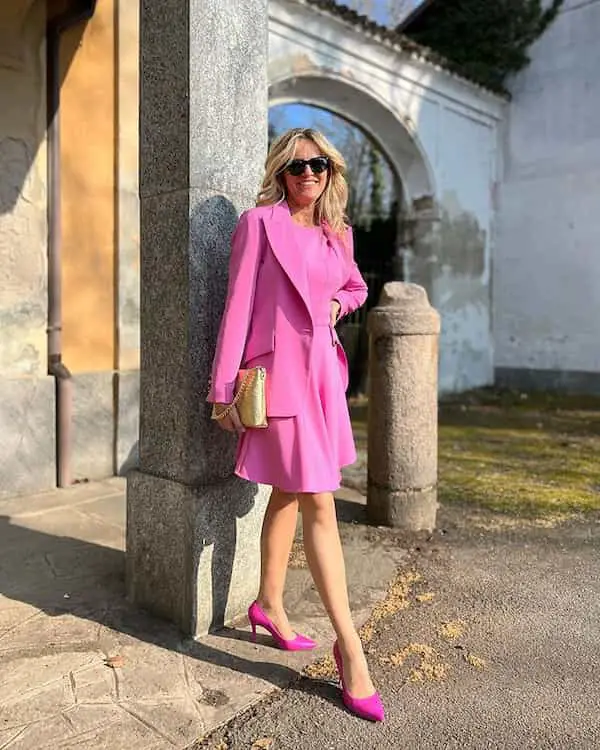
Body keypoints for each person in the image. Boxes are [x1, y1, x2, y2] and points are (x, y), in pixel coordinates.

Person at [207, 128, 384, 722]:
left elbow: (357, 287)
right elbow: (236, 305)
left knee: (287, 492)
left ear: (331, 172)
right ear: (281, 173)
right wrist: (222, 389)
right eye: (296, 166)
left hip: (322, 383)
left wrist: (338, 306)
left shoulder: (338, 234)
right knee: (319, 501)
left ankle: (268, 605)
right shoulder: (260, 225)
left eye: (319, 165)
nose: (308, 174)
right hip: (276, 380)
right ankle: (350, 648)